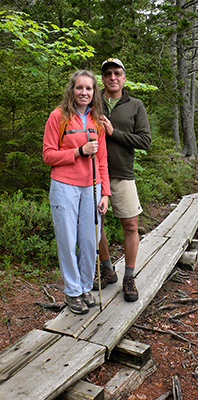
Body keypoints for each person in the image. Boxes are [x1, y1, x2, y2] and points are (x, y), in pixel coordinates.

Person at [43, 70, 111, 314]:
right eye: (79, 88)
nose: (84, 92)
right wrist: (78, 151)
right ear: (72, 90)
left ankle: (84, 288)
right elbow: (48, 155)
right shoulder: (58, 117)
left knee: (89, 241)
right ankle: (72, 292)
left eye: (89, 89)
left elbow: (102, 159)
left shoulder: (97, 120)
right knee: (68, 241)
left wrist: (105, 193)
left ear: (94, 92)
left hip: (91, 187)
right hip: (64, 186)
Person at [93, 58, 151, 302]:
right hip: (93, 176)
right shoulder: (92, 102)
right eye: (108, 74)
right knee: (96, 226)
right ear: (103, 78)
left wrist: (113, 133)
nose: (113, 77)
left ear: (124, 77)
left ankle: (129, 277)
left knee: (130, 226)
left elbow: (145, 141)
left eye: (117, 73)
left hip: (122, 174)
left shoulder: (135, 105)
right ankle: (108, 271)